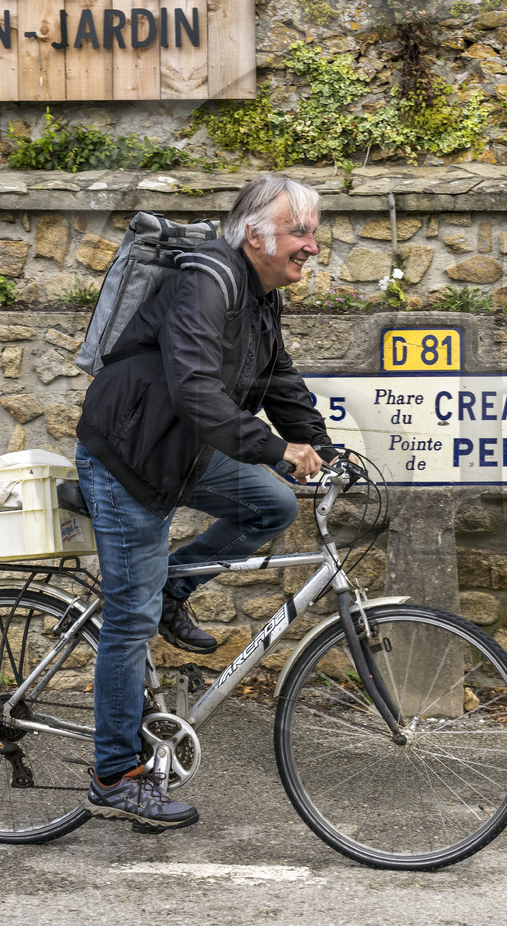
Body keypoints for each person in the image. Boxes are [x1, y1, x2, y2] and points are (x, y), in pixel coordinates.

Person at [73, 175, 332, 829]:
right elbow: (194, 387)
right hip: (129, 456)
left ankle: (173, 588)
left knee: (272, 505)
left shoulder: (261, 297)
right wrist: (275, 449)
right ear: (255, 235)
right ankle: (114, 774)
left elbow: (281, 381)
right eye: (299, 232)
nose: (313, 245)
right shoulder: (206, 281)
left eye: (313, 231)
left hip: (183, 449)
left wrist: (324, 448)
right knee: (129, 618)